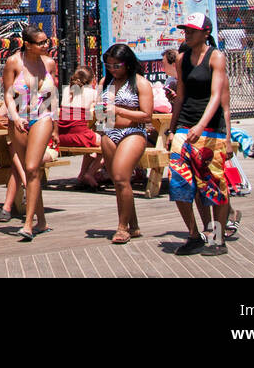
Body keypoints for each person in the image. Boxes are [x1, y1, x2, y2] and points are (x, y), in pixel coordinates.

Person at [167, 13, 231, 256]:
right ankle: (194, 235)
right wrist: (172, 130)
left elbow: (216, 95)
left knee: (213, 183)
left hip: (210, 128)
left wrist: (202, 126)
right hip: (185, 124)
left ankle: (218, 238)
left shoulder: (216, 56)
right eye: (186, 30)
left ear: (206, 32)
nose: (188, 34)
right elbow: (181, 96)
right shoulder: (182, 59)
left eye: (193, 30)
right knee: (180, 181)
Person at [3, 24, 58, 240]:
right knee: (31, 172)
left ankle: (28, 224)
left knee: (32, 166)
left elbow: (52, 96)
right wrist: (14, 117)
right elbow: (8, 93)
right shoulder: (14, 62)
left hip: (42, 116)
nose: (46, 45)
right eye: (42, 42)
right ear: (28, 44)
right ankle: (42, 221)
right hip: (19, 118)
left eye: (47, 41)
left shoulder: (49, 63)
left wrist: (55, 127)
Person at [98, 44, 154, 244]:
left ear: (128, 64)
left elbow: (147, 115)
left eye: (117, 65)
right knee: (119, 182)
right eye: (109, 65)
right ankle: (134, 224)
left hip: (132, 132)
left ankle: (122, 228)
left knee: (122, 177)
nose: (113, 69)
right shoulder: (106, 82)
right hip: (108, 131)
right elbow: (100, 110)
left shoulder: (140, 83)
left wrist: (119, 110)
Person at [57, 67, 103, 188]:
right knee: (107, 144)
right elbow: (101, 114)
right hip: (80, 136)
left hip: (62, 137)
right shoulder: (92, 93)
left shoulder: (67, 90)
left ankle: (82, 174)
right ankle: (90, 173)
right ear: (92, 80)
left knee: (92, 140)